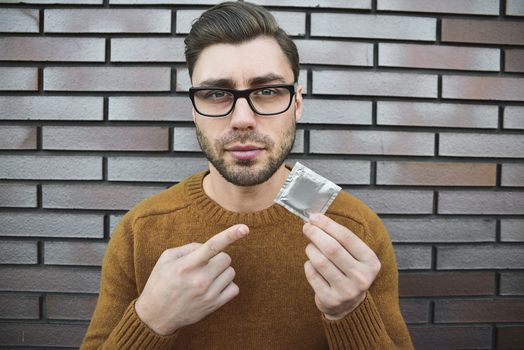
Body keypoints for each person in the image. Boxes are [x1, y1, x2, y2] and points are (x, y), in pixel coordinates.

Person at [81, 2, 414, 349]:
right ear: (194, 110)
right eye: (216, 93)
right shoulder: (141, 230)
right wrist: (150, 321)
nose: (242, 118)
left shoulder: (356, 231)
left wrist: (350, 313)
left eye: (267, 91)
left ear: (297, 104)